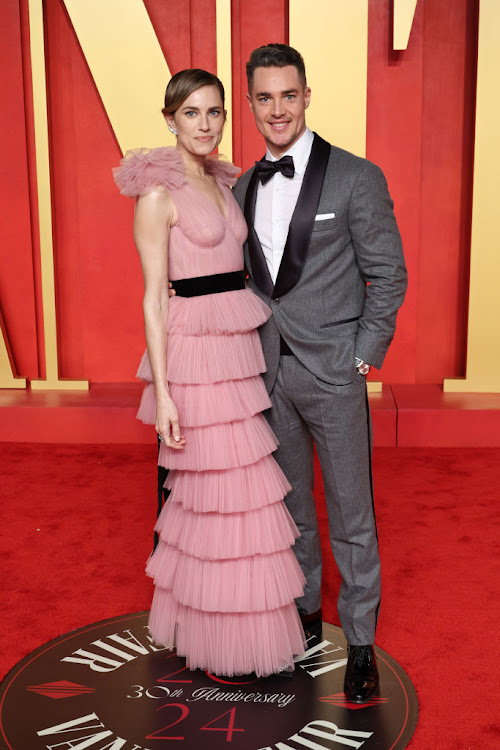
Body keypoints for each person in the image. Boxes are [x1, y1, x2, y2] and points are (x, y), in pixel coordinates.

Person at [113, 68, 305, 677]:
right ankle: (216, 639)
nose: (205, 123)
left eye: (215, 112)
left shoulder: (223, 183)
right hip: (194, 359)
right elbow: (151, 298)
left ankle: (238, 632)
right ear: (169, 118)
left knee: (242, 496)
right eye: (192, 112)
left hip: (237, 352)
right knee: (212, 497)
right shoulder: (157, 194)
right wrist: (164, 395)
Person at [232, 44, 407, 702]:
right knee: (293, 510)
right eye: (265, 97)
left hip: (335, 371)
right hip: (270, 370)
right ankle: (306, 618)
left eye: (288, 94)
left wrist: (366, 349)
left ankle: (359, 641)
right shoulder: (244, 186)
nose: (278, 108)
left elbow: (388, 272)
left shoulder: (356, 178)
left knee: (351, 513)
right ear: (251, 104)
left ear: (307, 96)